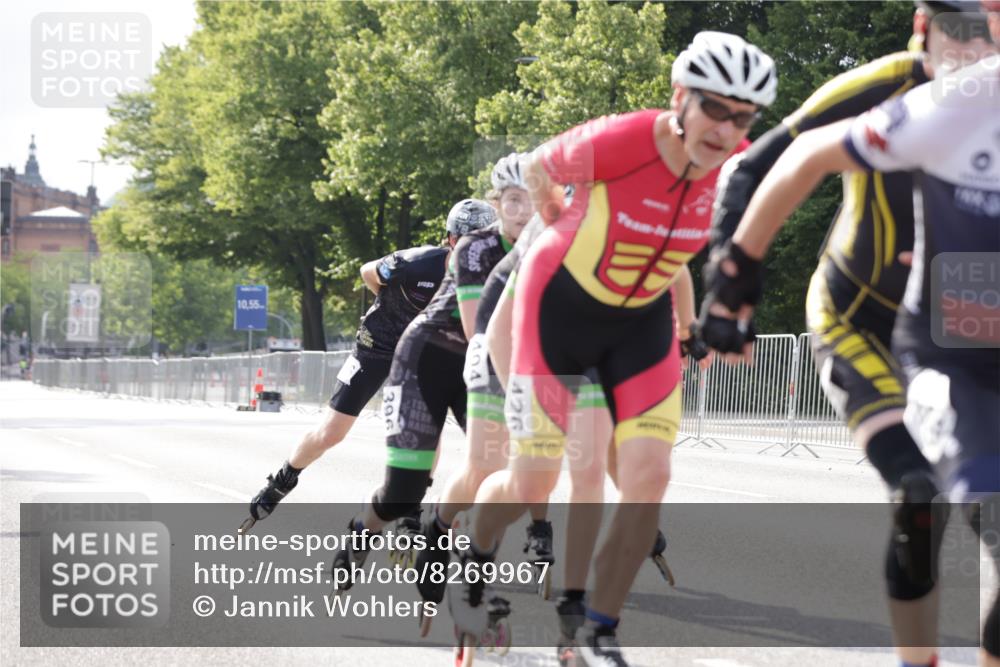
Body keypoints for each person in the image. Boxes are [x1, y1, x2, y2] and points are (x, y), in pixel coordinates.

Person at [450, 31, 777, 667]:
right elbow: (540, 165)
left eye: (743, 118)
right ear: (680, 97)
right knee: (531, 480)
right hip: (556, 313)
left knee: (649, 477)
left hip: (638, 323)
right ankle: (473, 559)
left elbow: (736, 247)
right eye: (714, 108)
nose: (725, 129)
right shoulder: (629, 139)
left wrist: (722, 316)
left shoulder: (735, 167)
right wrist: (556, 218)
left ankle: (597, 633)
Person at [698, 6, 998, 663]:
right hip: (859, 318)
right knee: (920, 498)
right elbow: (756, 166)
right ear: (923, 28)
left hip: (964, 338)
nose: (975, 48)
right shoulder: (888, 87)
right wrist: (730, 281)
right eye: (962, 27)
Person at [331, 164, 528, 602]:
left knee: (493, 469)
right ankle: (364, 530)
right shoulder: (473, 251)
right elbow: (480, 329)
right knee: (402, 495)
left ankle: (454, 547)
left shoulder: (536, 250)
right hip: (425, 361)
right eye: (514, 203)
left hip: (475, 365)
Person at [240, 242, 450, 532]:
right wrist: (389, 304)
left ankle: (411, 506)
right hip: (377, 346)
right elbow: (367, 271)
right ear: (452, 239)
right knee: (332, 432)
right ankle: (283, 479)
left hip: (419, 353)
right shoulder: (416, 261)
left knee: (428, 432)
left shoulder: (485, 270)